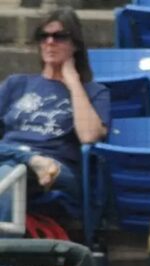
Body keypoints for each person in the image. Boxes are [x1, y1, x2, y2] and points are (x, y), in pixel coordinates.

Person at [0, 9, 109, 227]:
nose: (50, 42)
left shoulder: (94, 92)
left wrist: (73, 81)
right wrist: (30, 158)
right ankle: (30, 160)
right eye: (44, 36)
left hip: (57, 169)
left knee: (8, 173)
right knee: (9, 170)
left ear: (75, 44)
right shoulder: (16, 84)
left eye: (59, 36)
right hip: (17, 159)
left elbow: (88, 136)